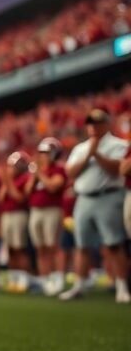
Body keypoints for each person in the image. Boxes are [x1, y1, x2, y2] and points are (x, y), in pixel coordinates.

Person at [60, 109, 129, 303]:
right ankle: (79, 285)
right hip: (84, 198)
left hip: (109, 196)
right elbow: (70, 173)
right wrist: (88, 155)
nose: (94, 126)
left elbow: (117, 170)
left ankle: (122, 286)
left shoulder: (119, 144)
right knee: (81, 244)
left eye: (98, 123)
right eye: (91, 123)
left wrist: (96, 154)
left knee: (114, 243)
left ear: (106, 124)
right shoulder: (80, 148)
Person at [26, 137, 67, 295]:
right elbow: (27, 191)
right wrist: (34, 176)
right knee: (40, 247)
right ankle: (45, 279)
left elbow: (53, 186)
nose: (42, 156)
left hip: (52, 210)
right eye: (42, 153)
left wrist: (39, 174)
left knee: (53, 245)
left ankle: (57, 278)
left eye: (46, 152)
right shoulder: (38, 171)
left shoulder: (58, 169)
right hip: (36, 211)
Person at [0, 151, 32, 292]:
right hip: (7, 215)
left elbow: (19, 198)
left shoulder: (25, 178)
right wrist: (6, 183)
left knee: (19, 247)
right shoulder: (10, 180)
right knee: (10, 248)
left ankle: (23, 278)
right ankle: (13, 278)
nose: (11, 169)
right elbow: (0, 198)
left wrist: (8, 182)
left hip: (19, 214)